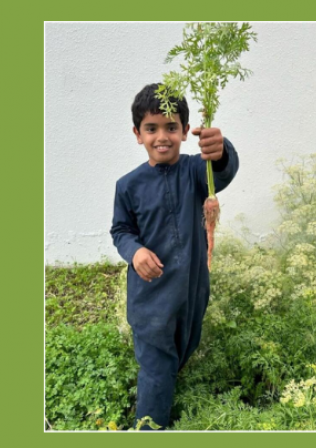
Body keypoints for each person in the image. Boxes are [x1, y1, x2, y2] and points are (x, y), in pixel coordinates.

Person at [110, 83, 239, 429]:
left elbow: (223, 171)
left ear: (185, 131)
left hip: (191, 290)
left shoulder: (196, 172)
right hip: (150, 296)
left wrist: (220, 149)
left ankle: (166, 381)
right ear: (138, 134)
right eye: (151, 128)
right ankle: (149, 426)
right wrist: (135, 253)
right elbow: (120, 231)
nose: (162, 136)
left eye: (171, 127)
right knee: (156, 362)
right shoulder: (128, 186)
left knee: (184, 345)